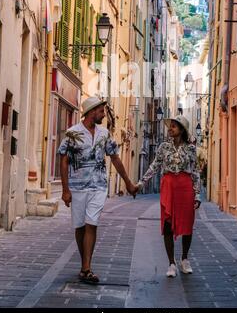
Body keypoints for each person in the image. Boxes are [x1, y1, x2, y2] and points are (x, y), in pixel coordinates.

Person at [58, 96, 137, 284]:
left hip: (99, 186)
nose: (103, 114)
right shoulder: (72, 133)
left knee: (91, 223)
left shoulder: (105, 134)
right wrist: (65, 190)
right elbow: (64, 160)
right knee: (80, 226)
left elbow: (115, 158)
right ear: (91, 112)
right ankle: (84, 262)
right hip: (77, 187)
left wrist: (128, 182)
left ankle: (86, 268)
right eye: (101, 111)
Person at [137, 115, 201, 278]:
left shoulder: (191, 149)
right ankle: (171, 263)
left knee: (187, 224)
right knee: (167, 224)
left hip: (186, 187)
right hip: (169, 186)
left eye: (173, 126)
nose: (169, 128)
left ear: (181, 130)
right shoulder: (163, 147)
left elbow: (195, 172)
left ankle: (184, 259)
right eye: (170, 126)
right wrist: (141, 183)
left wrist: (198, 194)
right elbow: (154, 166)